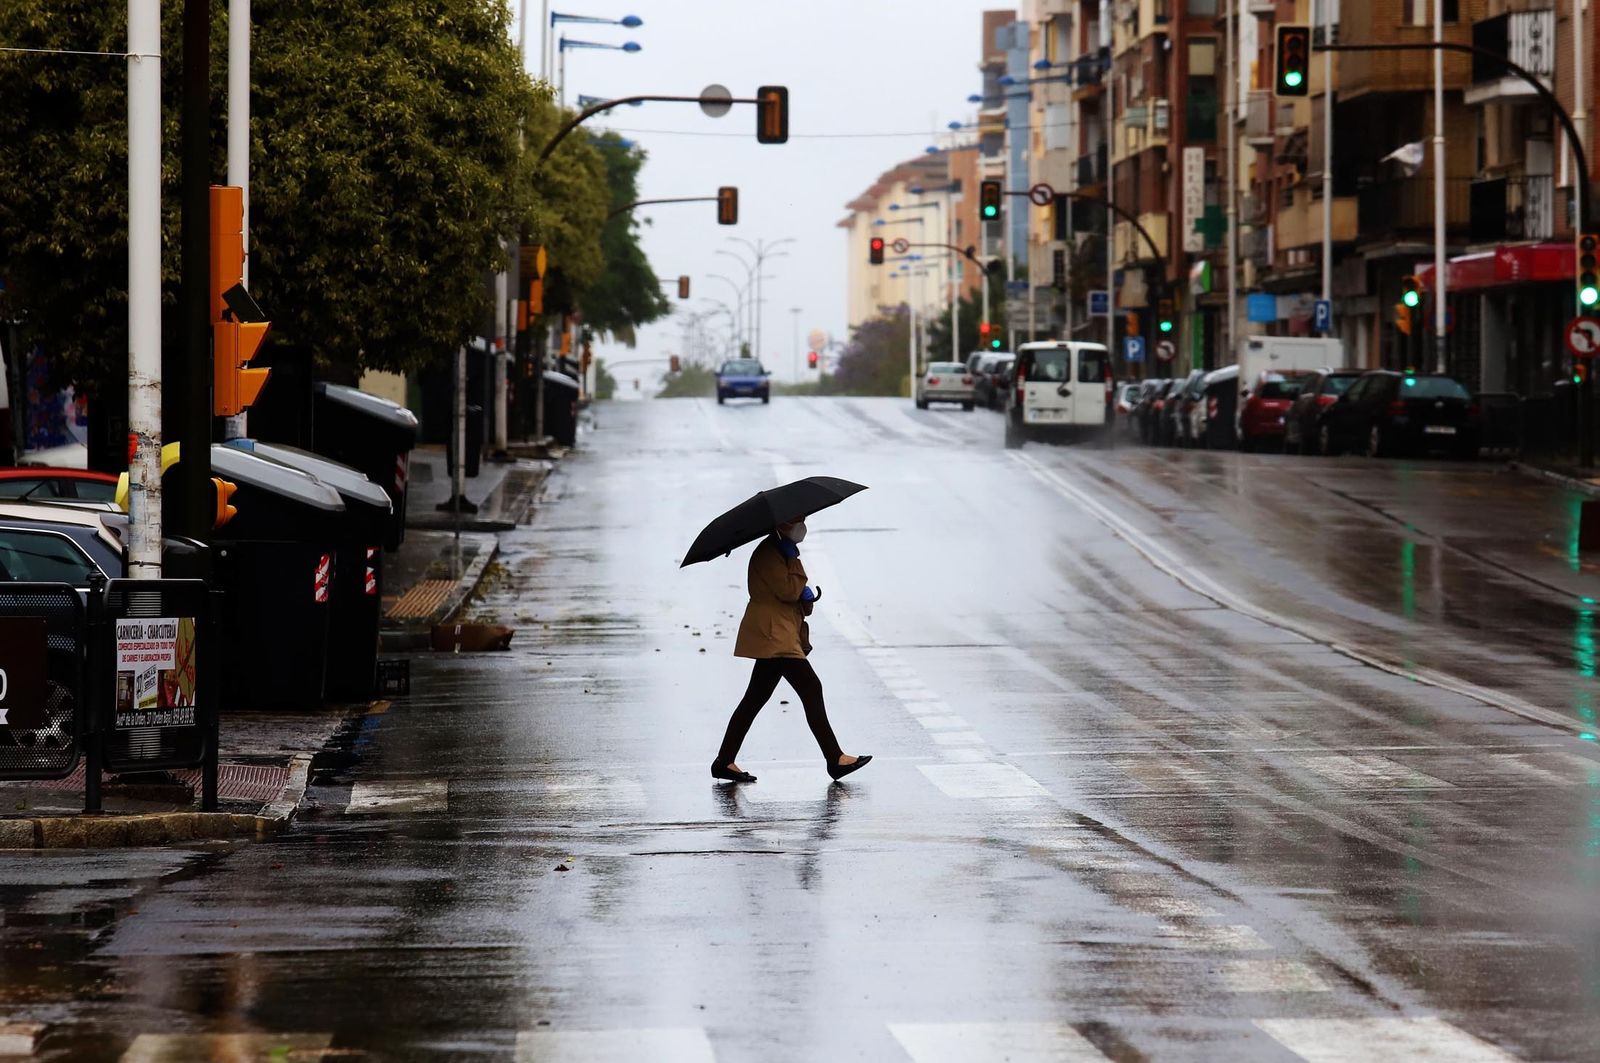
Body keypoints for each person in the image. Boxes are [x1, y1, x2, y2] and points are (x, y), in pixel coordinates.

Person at [712, 517, 871, 784]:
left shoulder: (779, 550)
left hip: (779, 630)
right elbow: (787, 591)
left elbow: (792, 595)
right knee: (811, 687)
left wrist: (804, 593)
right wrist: (795, 564)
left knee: (754, 698)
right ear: (781, 523)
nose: (802, 525)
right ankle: (835, 758)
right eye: (797, 521)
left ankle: (724, 761)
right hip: (774, 633)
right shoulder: (769, 553)